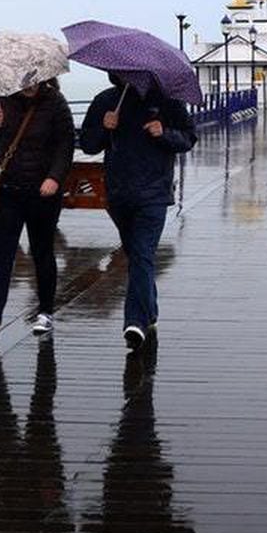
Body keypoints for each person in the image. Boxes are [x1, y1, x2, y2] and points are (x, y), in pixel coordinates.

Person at [80, 73, 197, 351]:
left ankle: (135, 322)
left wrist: (164, 133)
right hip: (118, 192)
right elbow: (87, 144)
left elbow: (189, 138)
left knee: (142, 253)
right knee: (135, 255)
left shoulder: (166, 101)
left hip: (154, 193)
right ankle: (150, 309)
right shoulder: (106, 101)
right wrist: (104, 128)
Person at [0, 78, 76, 344]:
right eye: (25, 80)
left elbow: (66, 144)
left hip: (43, 193)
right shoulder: (1, 99)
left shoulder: (55, 102)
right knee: (1, 258)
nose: (29, 84)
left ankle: (45, 313)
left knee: (42, 253)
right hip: (7, 192)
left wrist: (54, 178)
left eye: (34, 79)